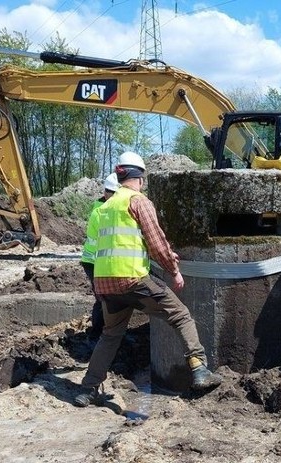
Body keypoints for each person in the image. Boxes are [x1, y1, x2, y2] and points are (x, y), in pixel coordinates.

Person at [75, 151, 223, 407]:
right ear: (140, 178)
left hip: (105, 282)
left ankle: (88, 389)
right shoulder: (138, 201)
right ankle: (199, 368)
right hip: (132, 278)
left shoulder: (106, 206)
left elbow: (122, 240)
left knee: (110, 335)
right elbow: (155, 242)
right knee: (181, 315)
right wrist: (173, 269)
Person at [80, 172, 119, 345]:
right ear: (106, 193)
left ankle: (104, 332)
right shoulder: (101, 212)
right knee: (102, 298)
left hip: (98, 260)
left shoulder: (108, 208)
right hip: (93, 261)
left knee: (107, 297)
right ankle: (96, 335)